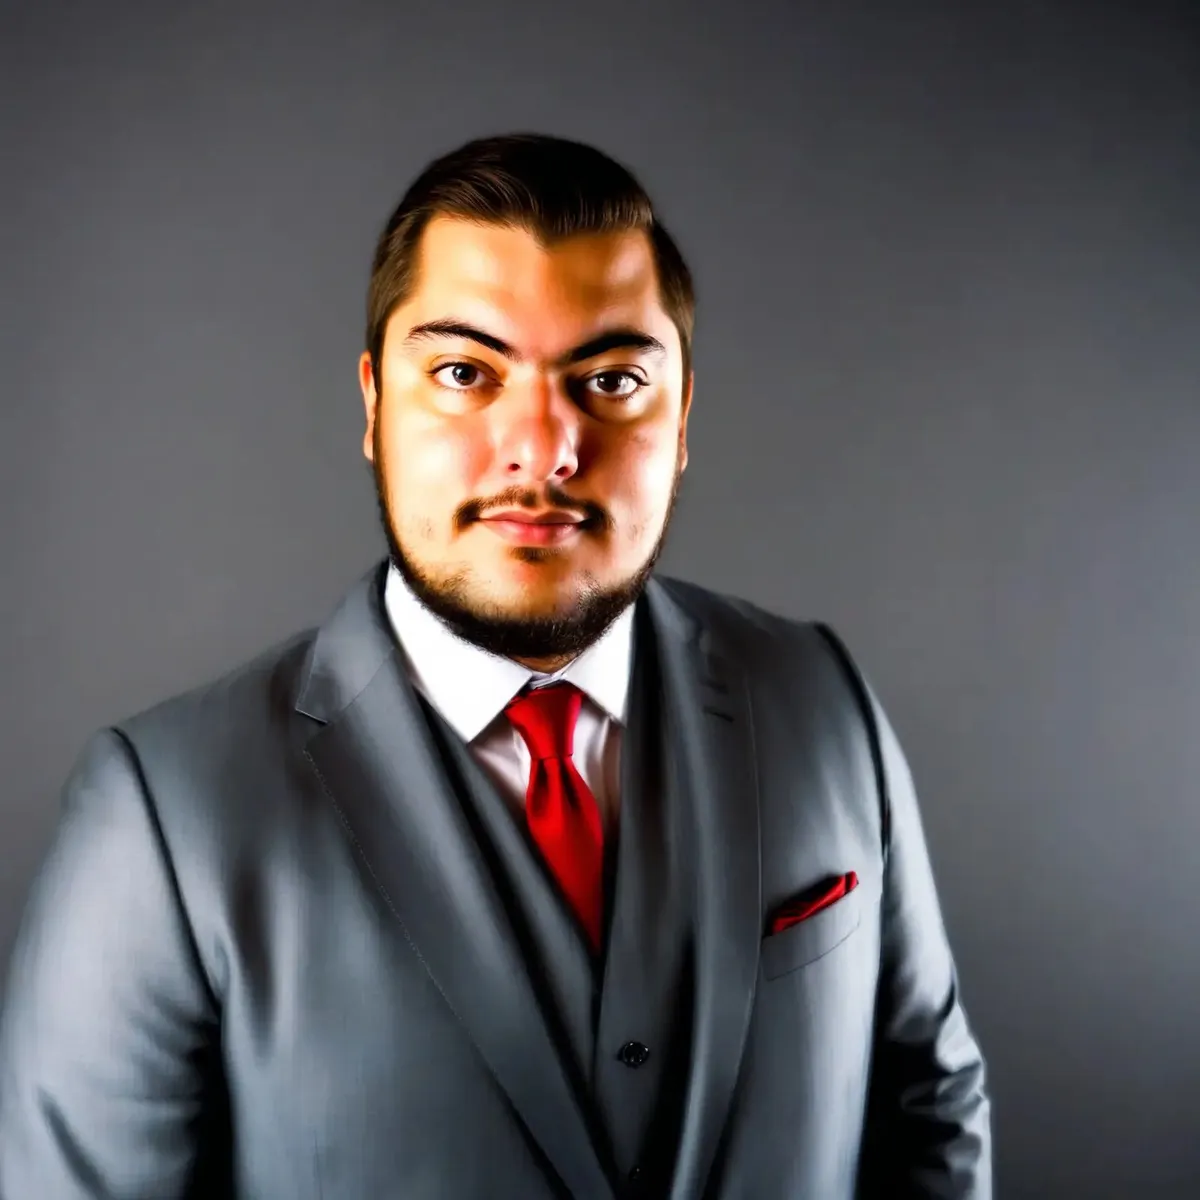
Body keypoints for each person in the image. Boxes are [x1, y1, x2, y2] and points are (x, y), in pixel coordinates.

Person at [0, 133, 991, 1199]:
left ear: (682, 420)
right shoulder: (163, 816)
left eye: (612, 379)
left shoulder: (819, 699)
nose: (542, 449)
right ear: (374, 406)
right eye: (466, 373)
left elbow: (929, 1117)